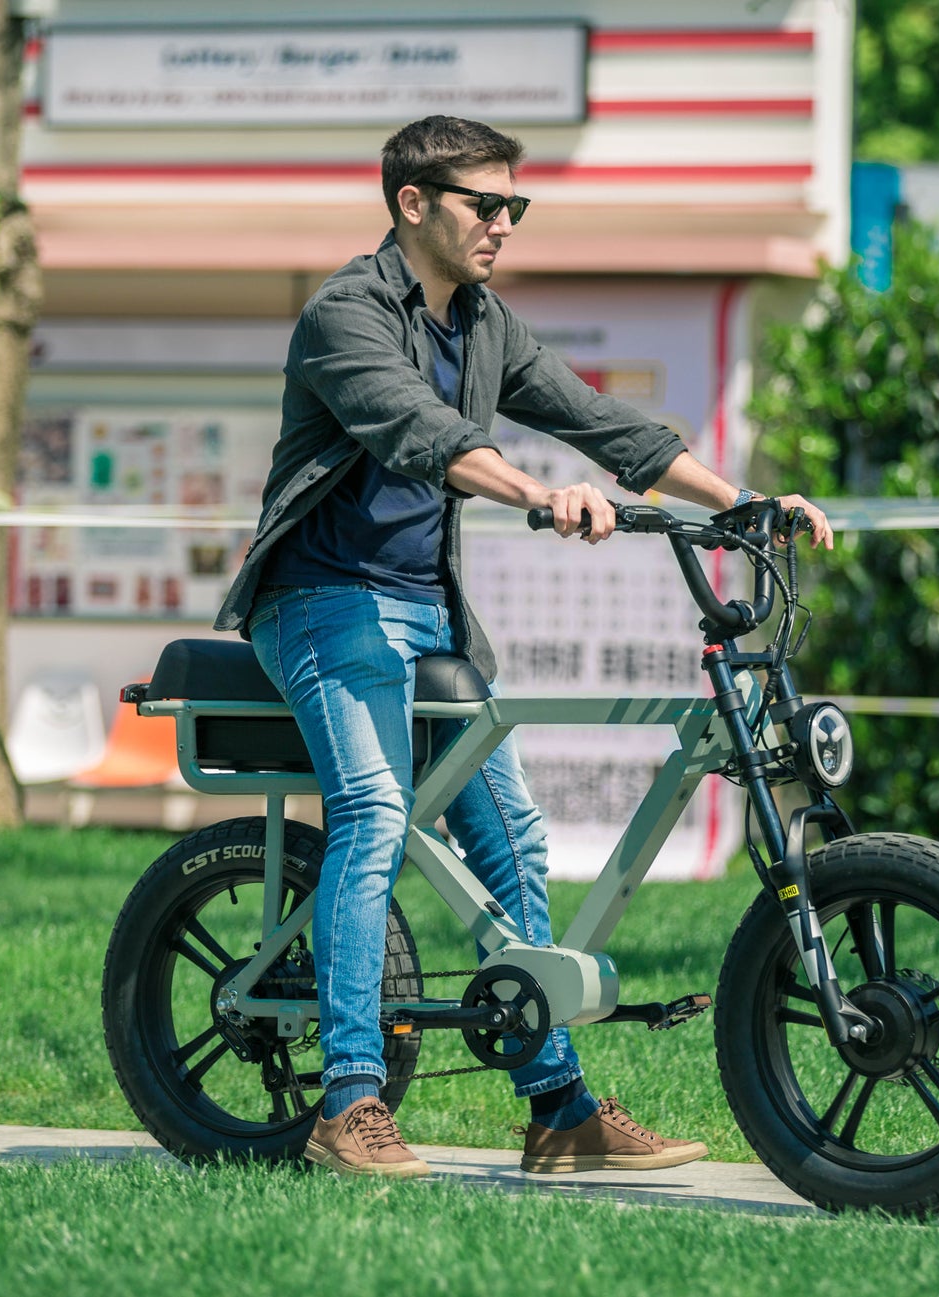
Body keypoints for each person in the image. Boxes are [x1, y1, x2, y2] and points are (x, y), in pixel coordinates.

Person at [214, 115, 833, 1180]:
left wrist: (741, 502)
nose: (504, 223)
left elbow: (599, 422)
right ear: (413, 203)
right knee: (372, 811)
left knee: (515, 841)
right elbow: (420, 432)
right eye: (484, 204)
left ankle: (559, 1111)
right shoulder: (344, 314)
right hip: (321, 600)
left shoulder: (484, 324)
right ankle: (349, 1101)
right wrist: (539, 494)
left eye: (516, 206)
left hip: (430, 611)